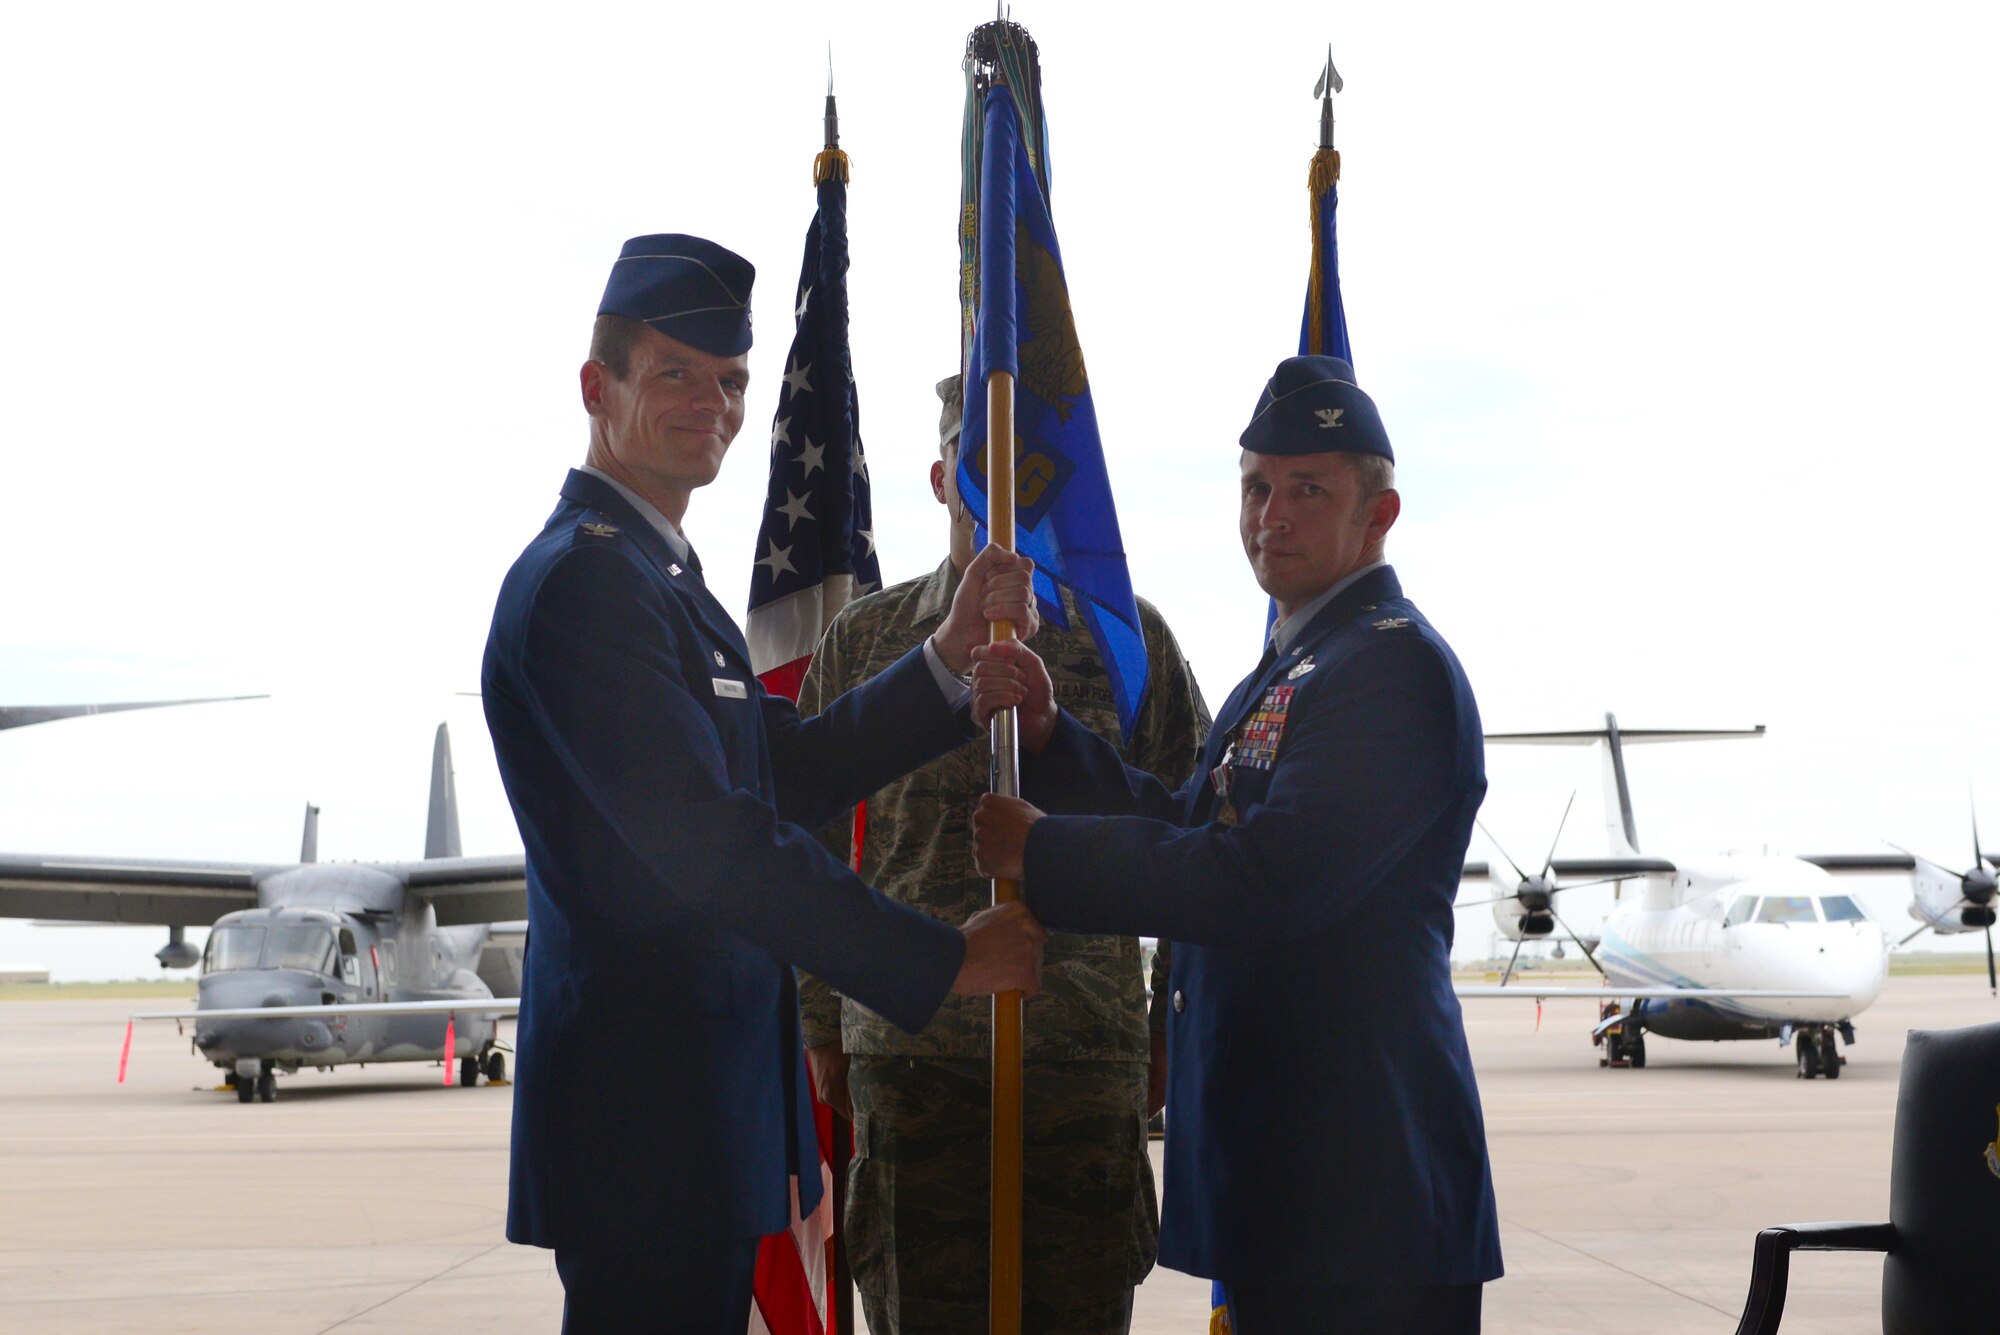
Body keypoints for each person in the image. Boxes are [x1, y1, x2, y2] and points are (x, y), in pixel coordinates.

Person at [481, 233, 1050, 1333]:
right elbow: (713, 846)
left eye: (732, 380)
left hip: (692, 1116)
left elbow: (775, 768)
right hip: (645, 1123)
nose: (715, 404)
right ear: (597, 388)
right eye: (676, 374)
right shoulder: (589, 584)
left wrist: (943, 661)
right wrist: (943, 960)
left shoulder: (652, 574)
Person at [969, 355, 1504, 1334]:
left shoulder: (1390, 669)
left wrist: (1044, 857)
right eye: (1256, 488)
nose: (1271, 516)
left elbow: (1266, 879)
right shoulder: (1303, 661)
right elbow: (1196, 824)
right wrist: (1052, 741)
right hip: (1290, 1186)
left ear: (1379, 515)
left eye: (1308, 490)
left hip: (1358, 1199)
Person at [796, 374, 1211, 1335]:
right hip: (912, 1062)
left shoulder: (1128, 641)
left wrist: (1166, 1030)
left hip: (1081, 1060)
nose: (1000, 488)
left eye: (1023, 467)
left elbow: (1190, 842)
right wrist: (820, 1020)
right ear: (941, 477)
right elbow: (801, 838)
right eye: (978, 462)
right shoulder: (868, 640)